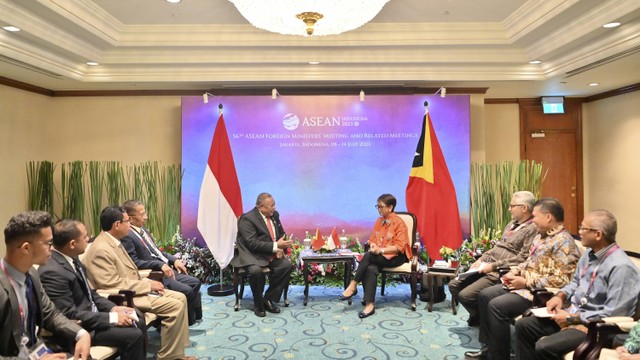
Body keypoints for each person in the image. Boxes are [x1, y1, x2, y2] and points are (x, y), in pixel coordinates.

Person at [465, 197, 581, 360]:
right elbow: (528, 261)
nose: (533, 221)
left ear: (548, 217)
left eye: (535, 217)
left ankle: (498, 356)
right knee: (484, 295)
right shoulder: (541, 236)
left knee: (496, 306)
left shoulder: (564, 243)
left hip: (538, 293)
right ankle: (489, 349)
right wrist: (514, 272)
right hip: (522, 286)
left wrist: (526, 282)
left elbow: (562, 280)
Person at [515, 209, 640, 360]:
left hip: (593, 327)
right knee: (524, 326)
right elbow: (575, 282)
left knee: (545, 346)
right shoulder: (589, 253)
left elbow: (614, 313)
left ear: (598, 234)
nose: (579, 232)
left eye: (583, 228)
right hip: (571, 312)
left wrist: (572, 318)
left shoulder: (622, 267)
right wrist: (560, 296)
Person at [81, 206, 194, 360]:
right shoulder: (101, 249)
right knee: (175, 305)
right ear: (117, 225)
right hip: (124, 297)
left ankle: (174, 353)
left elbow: (128, 272)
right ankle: (169, 357)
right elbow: (111, 283)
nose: (130, 225)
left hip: (136, 289)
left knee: (180, 297)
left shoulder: (113, 241)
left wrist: (147, 281)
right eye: (127, 221)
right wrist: (147, 286)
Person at [38, 219, 146, 360]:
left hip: (93, 316)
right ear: (72, 244)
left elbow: (90, 294)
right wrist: (112, 318)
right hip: (81, 327)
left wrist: (113, 309)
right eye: (85, 237)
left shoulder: (72, 259)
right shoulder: (52, 272)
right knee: (133, 335)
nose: (88, 239)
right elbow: (69, 314)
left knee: (137, 317)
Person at [1, 211, 91, 359]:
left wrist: (80, 333)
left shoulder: (31, 274)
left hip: (35, 351)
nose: (52, 248)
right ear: (26, 248)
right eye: (49, 243)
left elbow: (51, 314)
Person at [449, 191, 538, 326]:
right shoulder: (512, 224)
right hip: (485, 265)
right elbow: (499, 246)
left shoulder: (532, 228)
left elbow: (523, 257)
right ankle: (481, 318)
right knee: (454, 285)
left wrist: (494, 266)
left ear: (524, 208)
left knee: (466, 296)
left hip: (498, 271)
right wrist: (481, 259)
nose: (509, 209)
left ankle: (486, 321)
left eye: (512, 206)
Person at [121, 199, 202, 326]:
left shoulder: (143, 231)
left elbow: (157, 252)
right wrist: (159, 265)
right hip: (157, 274)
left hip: (167, 268)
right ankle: (182, 322)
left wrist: (174, 260)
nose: (146, 217)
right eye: (142, 214)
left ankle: (189, 319)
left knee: (195, 282)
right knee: (188, 290)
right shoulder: (128, 236)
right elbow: (135, 262)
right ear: (130, 219)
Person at [338, 194, 413, 318]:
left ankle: (353, 285)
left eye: (381, 207)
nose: (379, 209)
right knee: (370, 268)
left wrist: (381, 250)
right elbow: (372, 239)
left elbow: (399, 247)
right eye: (377, 207)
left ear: (390, 207)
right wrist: (373, 245)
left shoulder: (399, 223)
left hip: (396, 257)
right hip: (379, 256)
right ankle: (370, 305)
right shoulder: (379, 221)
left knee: (368, 256)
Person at [229, 193, 293, 318]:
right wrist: (276, 246)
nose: (274, 208)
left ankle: (268, 299)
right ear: (260, 207)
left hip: (269, 254)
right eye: (271, 206)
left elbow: (281, 233)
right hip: (252, 256)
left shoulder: (275, 215)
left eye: (274, 205)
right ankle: (258, 304)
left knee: (286, 266)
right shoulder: (247, 219)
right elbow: (252, 243)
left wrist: (281, 246)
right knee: (256, 271)